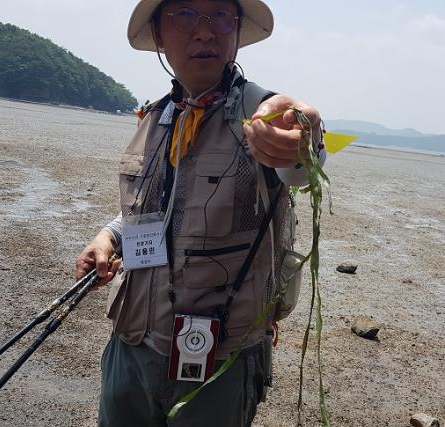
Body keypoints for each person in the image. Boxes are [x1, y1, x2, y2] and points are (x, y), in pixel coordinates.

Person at [74, 1, 326, 425]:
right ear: (157, 35)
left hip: (220, 358)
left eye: (221, 15)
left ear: (237, 29)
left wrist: (304, 134)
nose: (206, 32)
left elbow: (301, 163)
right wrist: (108, 238)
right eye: (186, 15)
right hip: (132, 342)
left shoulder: (262, 115)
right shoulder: (155, 117)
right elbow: (152, 210)